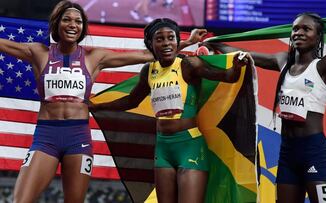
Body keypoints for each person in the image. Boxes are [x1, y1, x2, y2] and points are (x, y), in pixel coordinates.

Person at [0, 1, 206, 202]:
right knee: (21, 199)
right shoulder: (38, 52)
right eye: (67, 19)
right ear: (56, 23)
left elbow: (147, 55)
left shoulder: (94, 57)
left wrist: (188, 43)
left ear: (82, 28)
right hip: (46, 136)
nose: (73, 24)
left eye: (78, 21)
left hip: (77, 137)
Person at [202, 12, 326, 203]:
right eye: (295, 29)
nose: (298, 33)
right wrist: (215, 43)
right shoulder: (283, 61)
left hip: (315, 152)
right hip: (287, 153)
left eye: (306, 29)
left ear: (318, 37)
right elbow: (244, 55)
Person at [90, 18, 248, 203]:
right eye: (160, 39)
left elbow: (228, 76)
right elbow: (131, 101)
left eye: (171, 38)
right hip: (163, 148)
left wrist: (236, 67)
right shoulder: (149, 71)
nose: (166, 43)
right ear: (151, 44)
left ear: (177, 42)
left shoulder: (188, 65)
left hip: (189, 146)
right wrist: (97, 106)